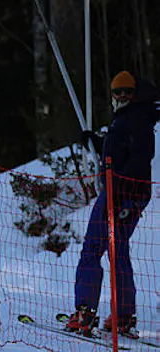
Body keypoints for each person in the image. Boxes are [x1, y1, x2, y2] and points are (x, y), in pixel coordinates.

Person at [67, 70, 158, 337]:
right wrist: (97, 142)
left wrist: (120, 193)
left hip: (121, 192)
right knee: (118, 251)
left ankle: (85, 311)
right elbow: (120, 150)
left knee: (92, 248)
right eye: (117, 92)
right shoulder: (130, 117)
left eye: (126, 92)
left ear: (135, 93)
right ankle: (123, 316)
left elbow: (140, 158)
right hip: (128, 192)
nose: (121, 96)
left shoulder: (136, 118)